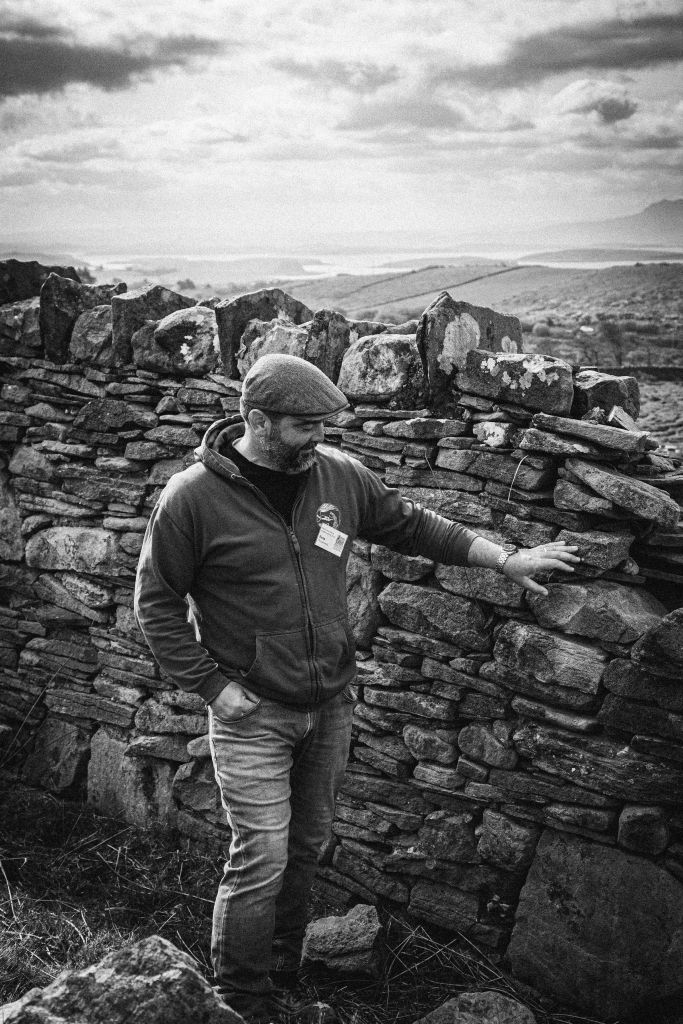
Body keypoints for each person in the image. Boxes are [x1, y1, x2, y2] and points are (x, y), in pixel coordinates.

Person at [134, 353, 579, 1023]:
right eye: (305, 425)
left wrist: (505, 559)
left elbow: (413, 524)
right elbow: (156, 603)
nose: (320, 436)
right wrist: (212, 687)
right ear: (257, 420)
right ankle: (240, 1001)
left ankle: (280, 975)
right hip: (250, 710)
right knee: (262, 856)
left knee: (307, 848)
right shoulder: (191, 498)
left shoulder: (336, 475)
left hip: (329, 705)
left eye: (325, 424)